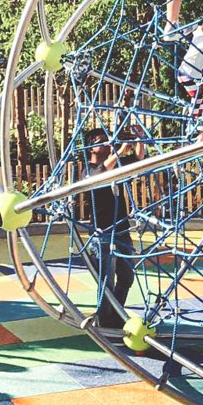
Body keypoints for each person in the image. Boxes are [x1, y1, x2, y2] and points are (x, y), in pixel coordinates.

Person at [81, 128, 135, 330]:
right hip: (101, 233)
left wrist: (136, 140)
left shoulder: (117, 166)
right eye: (101, 141)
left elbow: (139, 158)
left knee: (127, 276)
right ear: (90, 149)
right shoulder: (87, 169)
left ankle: (116, 313)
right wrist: (119, 152)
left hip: (122, 229)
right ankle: (104, 319)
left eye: (107, 140)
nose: (106, 143)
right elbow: (99, 175)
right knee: (107, 280)